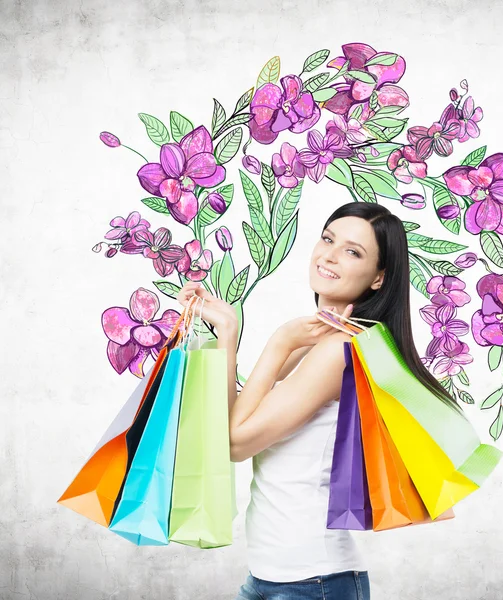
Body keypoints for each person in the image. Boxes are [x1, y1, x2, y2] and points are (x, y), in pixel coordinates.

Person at [176, 201, 461, 600]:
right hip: (271, 578)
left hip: (312, 583)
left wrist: (280, 341)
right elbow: (231, 419)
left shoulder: (336, 349)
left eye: (352, 251)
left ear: (379, 278)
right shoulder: (320, 339)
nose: (329, 254)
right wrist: (227, 331)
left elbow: (235, 445)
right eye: (328, 239)